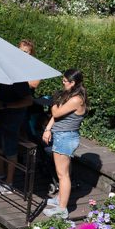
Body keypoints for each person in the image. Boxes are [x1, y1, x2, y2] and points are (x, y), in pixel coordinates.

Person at [0, 40, 38, 193]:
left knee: (10, 148)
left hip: (13, 117)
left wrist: (5, 106)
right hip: (1, 115)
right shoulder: (8, 74)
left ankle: (8, 183)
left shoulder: (19, 80)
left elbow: (28, 100)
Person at [42, 68, 86, 217]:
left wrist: (54, 100)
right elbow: (57, 116)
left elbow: (55, 112)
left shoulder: (76, 99)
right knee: (63, 172)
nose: (63, 82)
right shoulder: (69, 95)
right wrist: (47, 129)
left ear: (73, 82)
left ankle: (62, 209)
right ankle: (59, 198)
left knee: (63, 175)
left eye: (65, 81)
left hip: (66, 138)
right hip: (62, 136)